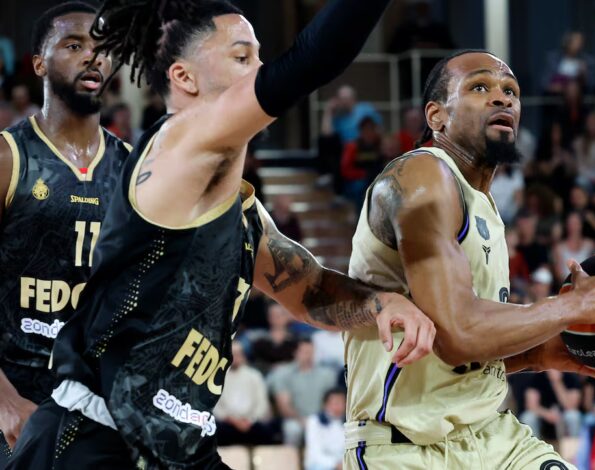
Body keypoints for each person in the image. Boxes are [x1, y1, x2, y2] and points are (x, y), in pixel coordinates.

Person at [8, 1, 435, 469]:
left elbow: (311, 291)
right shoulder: (177, 145)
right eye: (241, 56)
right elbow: (313, 60)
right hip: (97, 438)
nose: (260, 69)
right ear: (184, 78)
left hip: (179, 445)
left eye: (260, 57)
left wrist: (381, 304)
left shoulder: (243, 213)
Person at [342, 49, 595, 469]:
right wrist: (577, 305)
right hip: (406, 447)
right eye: (480, 87)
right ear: (436, 116)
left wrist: (536, 355)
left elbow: (454, 358)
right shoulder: (421, 178)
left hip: (490, 435)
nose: (502, 98)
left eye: (511, 91)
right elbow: (457, 336)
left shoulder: (486, 207)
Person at [0, 2, 132, 463]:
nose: (93, 56)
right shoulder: (9, 158)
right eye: (74, 46)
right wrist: (4, 401)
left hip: (96, 412)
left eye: (102, 48)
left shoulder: (135, 171)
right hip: (15, 406)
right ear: (39, 64)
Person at [268, 339, 337, 445]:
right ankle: (290, 456)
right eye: (305, 352)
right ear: (295, 353)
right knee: (292, 429)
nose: (309, 356)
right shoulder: (283, 374)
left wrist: (317, 421)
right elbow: (284, 406)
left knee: (335, 428)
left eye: (311, 352)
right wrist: (303, 421)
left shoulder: (327, 375)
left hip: (321, 418)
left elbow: (331, 402)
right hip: (295, 419)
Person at [213, 342, 280, 446]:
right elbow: (215, 405)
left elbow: (262, 404)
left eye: (237, 354)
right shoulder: (217, 377)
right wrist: (233, 421)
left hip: (251, 423)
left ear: (243, 356)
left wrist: (249, 420)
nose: (234, 357)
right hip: (227, 423)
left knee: (268, 430)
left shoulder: (254, 376)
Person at [304, 388, 347, 470]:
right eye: (336, 403)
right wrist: (335, 464)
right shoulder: (314, 421)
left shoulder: (349, 422)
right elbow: (315, 453)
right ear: (325, 404)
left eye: (342, 403)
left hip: (343, 463)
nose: (339, 406)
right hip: (319, 464)